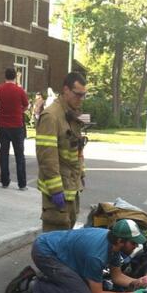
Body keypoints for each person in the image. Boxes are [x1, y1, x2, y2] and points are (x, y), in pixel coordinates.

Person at [4, 219, 147, 293]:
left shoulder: (113, 244)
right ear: (121, 241)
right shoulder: (97, 256)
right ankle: (31, 285)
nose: (136, 246)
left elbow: (117, 276)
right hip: (45, 253)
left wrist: (138, 282)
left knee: (90, 284)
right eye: (133, 243)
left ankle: (51, 276)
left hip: (57, 249)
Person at [36, 72, 87, 231]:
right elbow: (47, 158)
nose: (80, 99)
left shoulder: (70, 114)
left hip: (71, 188)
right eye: (77, 94)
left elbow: (77, 149)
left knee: (66, 240)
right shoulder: (51, 116)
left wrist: (81, 173)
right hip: (57, 194)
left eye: (83, 95)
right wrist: (56, 190)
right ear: (66, 90)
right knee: (55, 242)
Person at [0, 67, 30, 190]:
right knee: (19, 155)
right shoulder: (19, 90)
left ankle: (5, 181)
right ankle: (22, 183)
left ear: (5, 76)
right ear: (15, 76)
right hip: (16, 124)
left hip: (2, 124)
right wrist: (19, 111)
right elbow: (26, 105)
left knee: (4, 153)